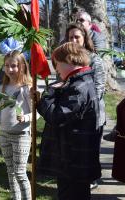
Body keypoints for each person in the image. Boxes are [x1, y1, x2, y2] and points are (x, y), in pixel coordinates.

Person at [34, 42, 102, 200]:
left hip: (73, 160)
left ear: (69, 61)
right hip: (72, 159)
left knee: (72, 195)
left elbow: (57, 116)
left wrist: (47, 96)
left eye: (56, 64)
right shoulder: (78, 83)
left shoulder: (79, 87)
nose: (55, 69)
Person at [0, 50, 32, 200]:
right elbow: (0, 112)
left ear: (22, 66)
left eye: (14, 66)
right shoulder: (2, 88)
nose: (10, 69)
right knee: (10, 172)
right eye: (7, 66)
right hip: (4, 134)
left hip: (21, 136)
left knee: (20, 172)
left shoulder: (26, 88)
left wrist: (25, 117)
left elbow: (37, 113)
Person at [65, 22, 106, 190]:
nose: (74, 40)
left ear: (84, 38)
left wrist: (82, 109)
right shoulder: (64, 58)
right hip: (70, 114)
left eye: (77, 37)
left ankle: (91, 179)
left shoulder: (94, 59)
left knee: (90, 150)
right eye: (70, 37)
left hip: (92, 115)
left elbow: (99, 88)